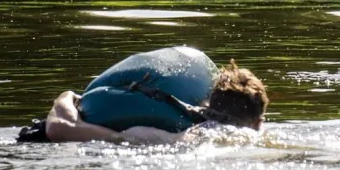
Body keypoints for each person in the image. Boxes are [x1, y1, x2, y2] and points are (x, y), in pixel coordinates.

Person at [40, 60, 269, 145]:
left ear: (208, 103)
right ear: (259, 122)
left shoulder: (161, 135)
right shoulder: (259, 138)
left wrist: (67, 96)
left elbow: (59, 129)